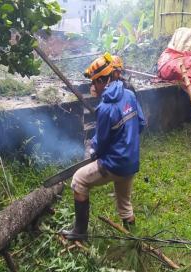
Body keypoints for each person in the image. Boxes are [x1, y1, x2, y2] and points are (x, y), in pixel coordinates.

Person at [61, 53, 146, 240]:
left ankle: (80, 232)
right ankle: (134, 241)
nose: (92, 87)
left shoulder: (105, 108)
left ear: (101, 81)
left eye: (93, 82)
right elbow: (141, 123)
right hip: (131, 161)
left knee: (78, 181)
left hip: (114, 163)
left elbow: (101, 141)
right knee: (124, 203)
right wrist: (127, 141)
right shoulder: (130, 95)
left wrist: (94, 151)